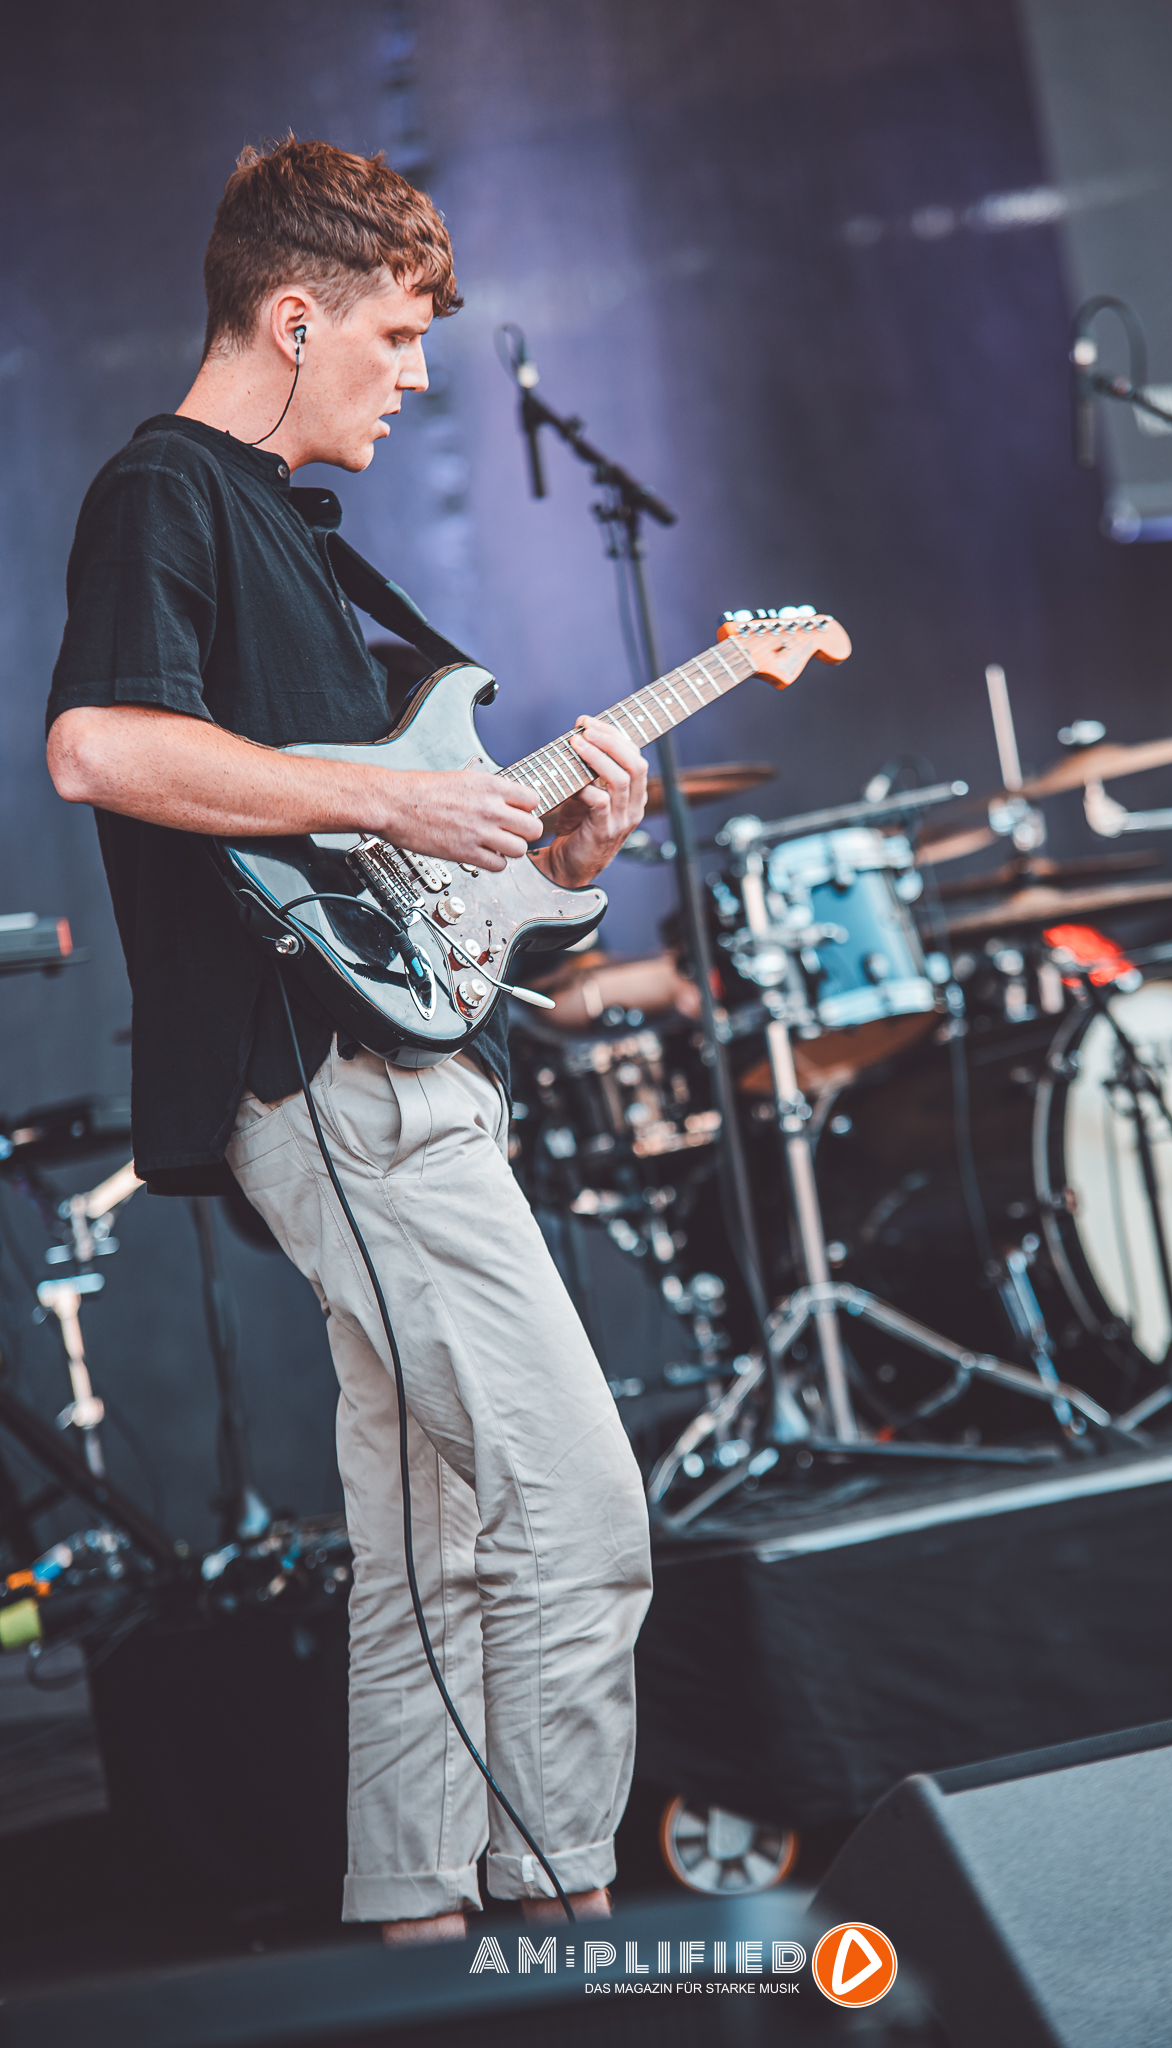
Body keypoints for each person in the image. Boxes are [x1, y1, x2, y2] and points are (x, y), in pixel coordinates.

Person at [45, 138, 653, 1943]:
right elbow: (99, 747)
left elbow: (396, 866)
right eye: (394, 336)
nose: (414, 376)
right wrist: (381, 798)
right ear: (296, 319)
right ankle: (571, 1933)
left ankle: (418, 1932)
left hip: (398, 1074)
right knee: (577, 1513)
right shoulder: (164, 487)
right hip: (335, 1088)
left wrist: (564, 865)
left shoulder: (296, 537)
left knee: (430, 1549)